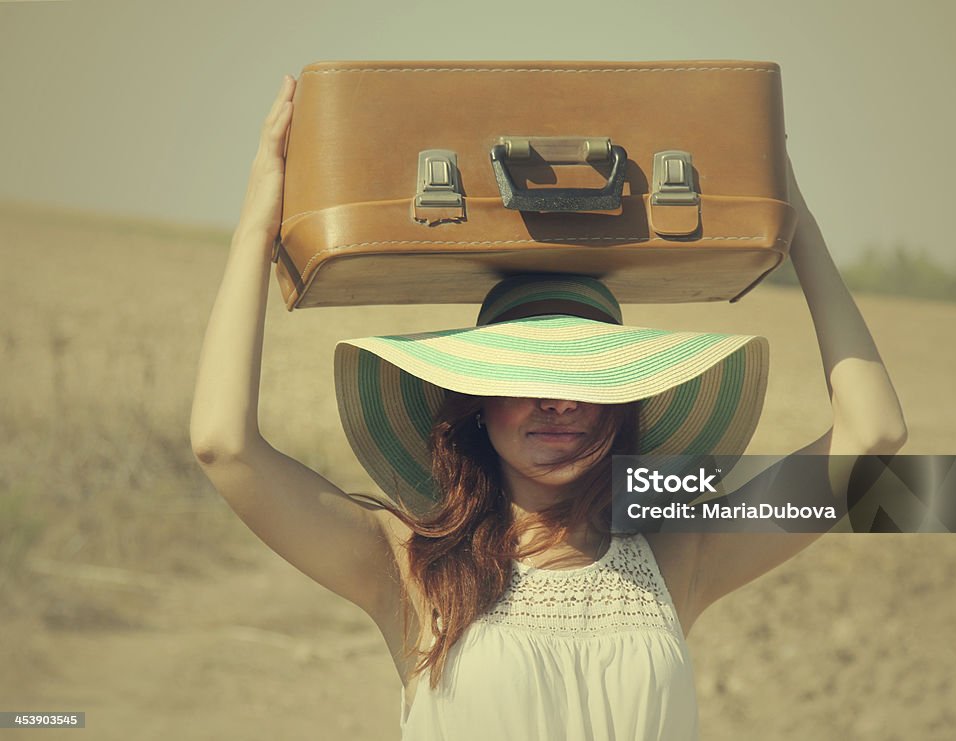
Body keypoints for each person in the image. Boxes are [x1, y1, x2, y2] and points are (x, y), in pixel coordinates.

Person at [190, 75, 907, 740]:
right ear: (475, 405)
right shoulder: (408, 567)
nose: (558, 401)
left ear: (623, 406)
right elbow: (224, 445)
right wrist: (255, 228)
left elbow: (873, 435)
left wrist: (799, 227)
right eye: (523, 376)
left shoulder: (679, 554)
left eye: (592, 379)